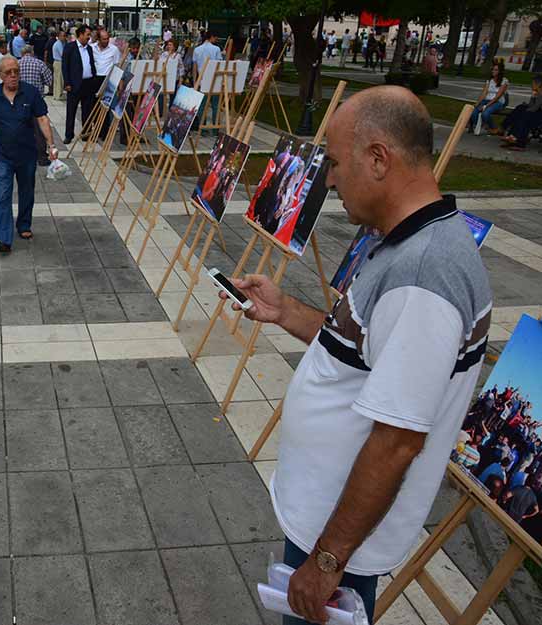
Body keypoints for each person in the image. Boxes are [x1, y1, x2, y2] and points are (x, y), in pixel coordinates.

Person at [222, 86, 491, 624]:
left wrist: (327, 560)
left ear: (378, 159)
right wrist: (285, 311)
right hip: (327, 518)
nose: (329, 178)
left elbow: (396, 441)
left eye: (337, 163)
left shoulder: (425, 275)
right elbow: (364, 349)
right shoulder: (407, 241)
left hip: (339, 538)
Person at [0, 56, 58, 252]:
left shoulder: (30, 93)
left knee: (26, 191)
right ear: (0, 76)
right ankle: (1, 238)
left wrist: (51, 145)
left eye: (16, 71)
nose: (13, 75)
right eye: (8, 72)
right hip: (2, 155)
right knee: (1, 195)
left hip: (27, 154)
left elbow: (42, 118)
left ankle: (24, 224)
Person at [61, 25, 99, 144]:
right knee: (71, 111)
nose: (89, 37)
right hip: (74, 84)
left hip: (88, 83)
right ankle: (69, 135)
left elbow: (91, 63)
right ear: (80, 34)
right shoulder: (70, 47)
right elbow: (65, 66)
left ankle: (86, 133)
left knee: (87, 110)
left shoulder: (89, 48)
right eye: (87, 34)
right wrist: (67, 82)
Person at [19, 45, 54, 166]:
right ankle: (42, 157)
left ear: (22, 53)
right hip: (36, 101)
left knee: (22, 130)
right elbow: (49, 81)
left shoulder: (17, 64)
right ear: (32, 53)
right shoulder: (40, 64)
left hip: (20, 101)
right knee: (40, 130)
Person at [501, 74, 542, 150]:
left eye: (533, 83)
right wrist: (532, 97)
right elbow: (531, 106)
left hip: (539, 117)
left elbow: (534, 108)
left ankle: (518, 141)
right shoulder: (537, 93)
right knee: (520, 108)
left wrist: (532, 100)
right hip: (536, 113)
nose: (531, 85)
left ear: (539, 84)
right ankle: (509, 134)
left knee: (525, 115)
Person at [468, 61, 509, 135]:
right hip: (486, 100)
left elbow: (497, 97)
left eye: (496, 70)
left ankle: (494, 128)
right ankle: (482, 125)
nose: (493, 71)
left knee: (485, 114)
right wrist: (477, 103)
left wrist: (486, 106)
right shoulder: (489, 80)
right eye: (493, 69)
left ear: (500, 72)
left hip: (497, 102)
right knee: (474, 112)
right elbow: (484, 93)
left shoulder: (504, 81)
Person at [51, 30, 67, 100]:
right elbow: (63, 54)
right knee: (59, 80)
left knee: (57, 79)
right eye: (63, 36)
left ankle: (56, 94)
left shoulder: (60, 43)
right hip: (59, 62)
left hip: (57, 62)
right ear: (59, 36)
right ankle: (58, 95)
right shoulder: (59, 44)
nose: (64, 37)